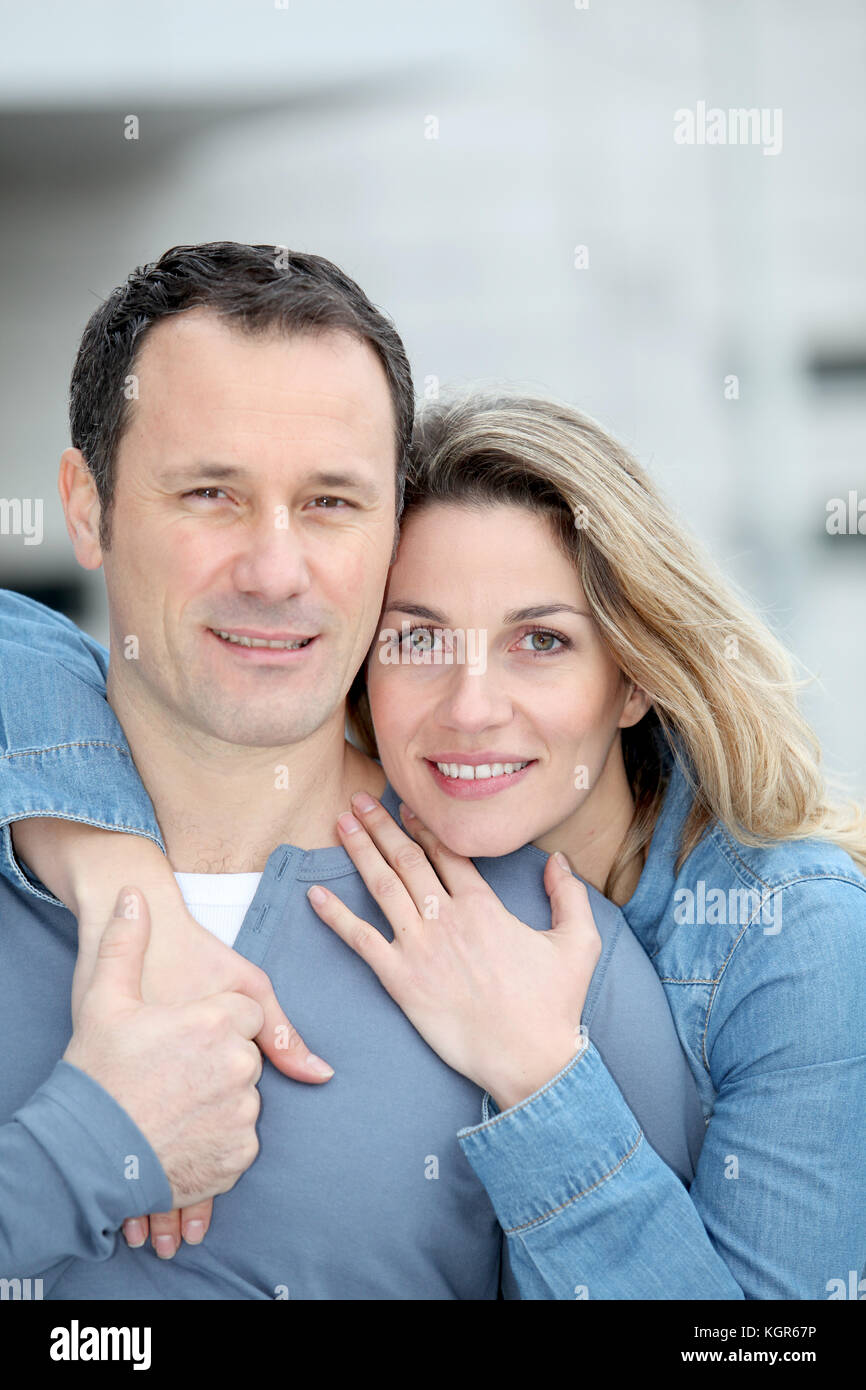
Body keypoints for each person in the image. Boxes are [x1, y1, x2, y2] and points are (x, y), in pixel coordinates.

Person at [0, 242, 707, 1301]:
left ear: (393, 531)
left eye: (330, 502)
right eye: (208, 493)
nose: (275, 571)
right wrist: (78, 1153)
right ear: (88, 506)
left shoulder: (551, 975)